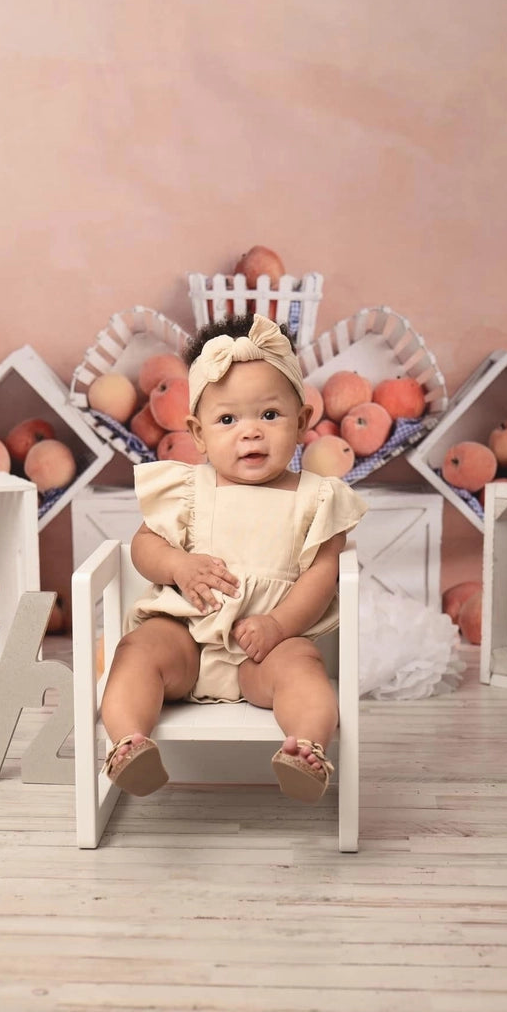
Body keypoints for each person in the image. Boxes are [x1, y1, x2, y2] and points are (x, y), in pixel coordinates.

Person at [100, 313, 367, 803]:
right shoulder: (187, 489)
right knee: (136, 650)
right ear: (198, 435)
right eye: (228, 420)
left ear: (303, 422)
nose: (251, 434)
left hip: (265, 649)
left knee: (302, 667)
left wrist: (279, 625)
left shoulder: (317, 498)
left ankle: (306, 748)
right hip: (185, 635)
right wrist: (178, 566)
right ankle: (129, 743)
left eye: (269, 415)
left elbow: (323, 574)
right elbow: (144, 546)